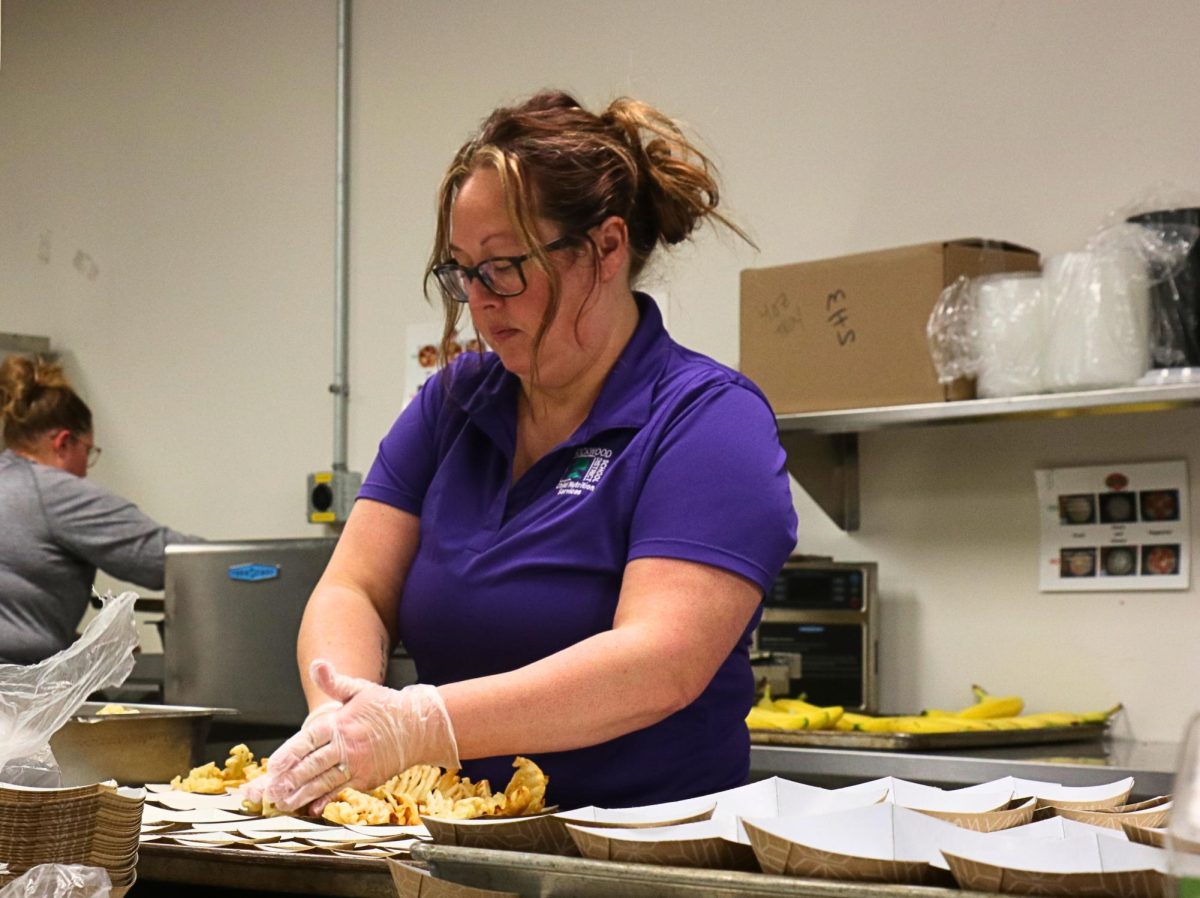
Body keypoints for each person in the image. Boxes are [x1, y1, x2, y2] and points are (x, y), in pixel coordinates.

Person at [260, 90, 798, 814]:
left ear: (605, 249)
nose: (479, 302)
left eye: (503, 267)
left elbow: (659, 662)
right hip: (460, 837)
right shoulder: (453, 404)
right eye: (460, 270)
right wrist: (337, 715)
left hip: (635, 858)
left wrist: (425, 724)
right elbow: (352, 587)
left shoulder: (707, 420)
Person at [0, 354, 200, 664]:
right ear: (64, 443)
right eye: (88, 451)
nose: (86, 469)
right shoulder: (50, 491)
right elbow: (169, 560)